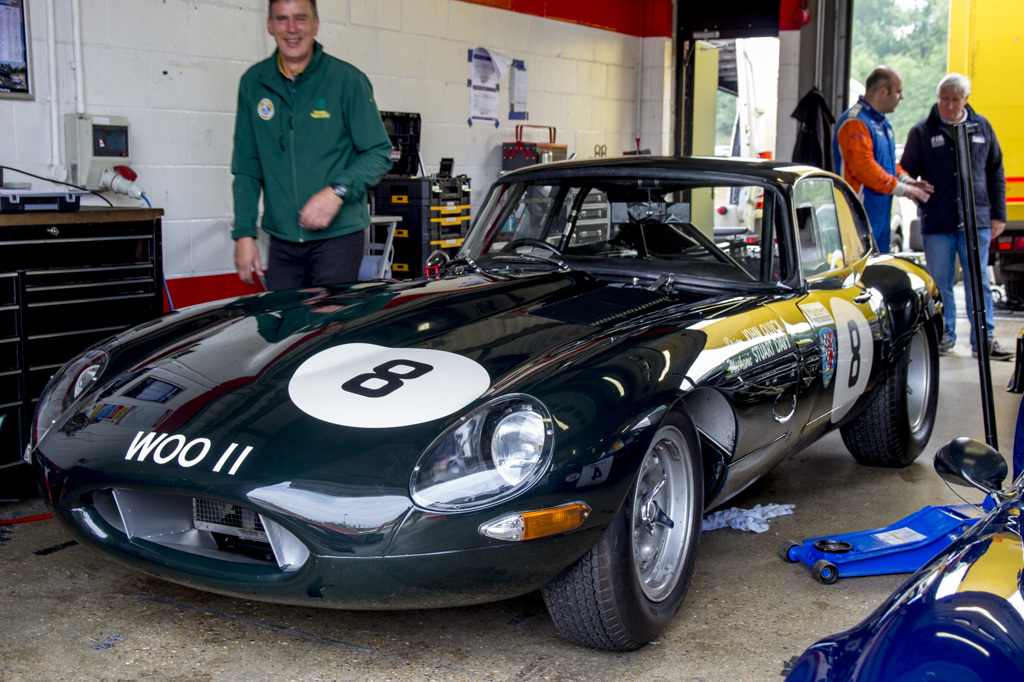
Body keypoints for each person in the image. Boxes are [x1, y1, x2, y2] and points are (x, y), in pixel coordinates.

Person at [231, 0, 393, 290]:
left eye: (300, 19)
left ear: (315, 24)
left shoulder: (347, 81)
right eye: (282, 19)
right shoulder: (254, 84)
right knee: (285, 329)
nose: (292, 29)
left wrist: (336, 192)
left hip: (338, 238)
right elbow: (247, 166)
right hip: (283, 240)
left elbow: (378, 153)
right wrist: (244, 234)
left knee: (326, 329)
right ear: (270, 25)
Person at [900, 73, 1012, 360]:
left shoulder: (982, 127)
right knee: (940, 282)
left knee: (979, 281)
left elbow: (996, 172)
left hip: (978, 220)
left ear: (965, 100)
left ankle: (984, 339)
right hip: (938, 221)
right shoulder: (922, 131)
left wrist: (999, 215)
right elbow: (904, 171)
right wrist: (911, 188)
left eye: (955, 100)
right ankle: (943, 334)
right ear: (938, 99)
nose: (949, 106)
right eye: (944, 100)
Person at [833, 66, 933, 253]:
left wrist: (908, 180)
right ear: (883, 91)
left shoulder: (882, 123)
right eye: (898, 92)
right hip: (858, 216)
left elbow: (887, 163)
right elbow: (865, 168)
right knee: (861, 276)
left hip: (880, 215)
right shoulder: (855, 122)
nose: (901, 97)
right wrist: (904, 190)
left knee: (876, 272)